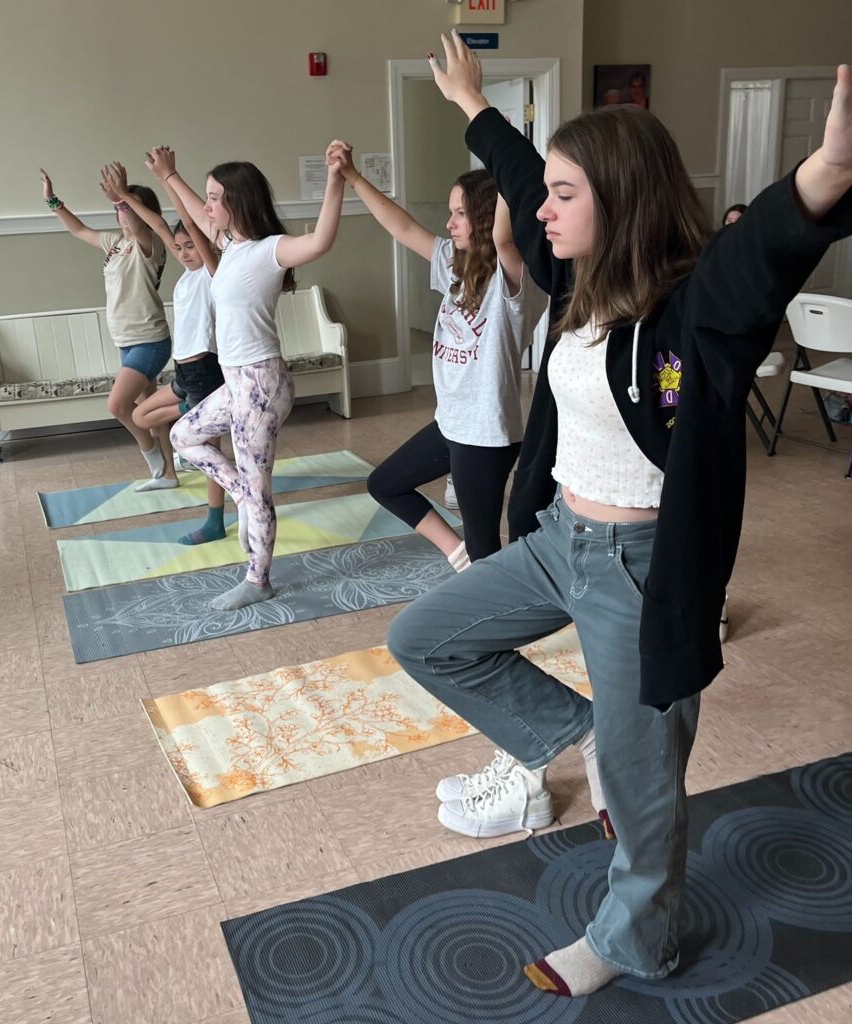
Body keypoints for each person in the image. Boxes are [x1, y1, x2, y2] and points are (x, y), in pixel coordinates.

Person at [388, 33, 852, 999]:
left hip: (643, 571)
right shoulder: (575, 282)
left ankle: (638, 938)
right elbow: (518, 178)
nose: (540, 211)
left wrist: (823, 176)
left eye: (565, 195)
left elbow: (754, 261)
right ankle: (587, 735)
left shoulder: (691, 317)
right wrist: (472, 103)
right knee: (427, 637)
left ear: (621, 197)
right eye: (546, 193)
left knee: (646, 800)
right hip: (562, 542)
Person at [329, 143, 545, 569]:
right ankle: (456, 553)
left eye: (460, 213)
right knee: (386, 484)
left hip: (485, 435)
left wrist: (502, 157)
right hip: (452, 423)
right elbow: (404, 229)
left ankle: (497, 627)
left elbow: (503, 237)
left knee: (487, 547)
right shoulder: (452, 261)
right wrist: (352, 177)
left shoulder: (513, 277)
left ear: (484, 215)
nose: (449, 223)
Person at [156, 144, 346, 610]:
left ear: (237, 203)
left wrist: (336, 181)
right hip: (239, 383)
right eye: (206, 196)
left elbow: (319, 241)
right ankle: (241, 496)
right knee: (183, 435)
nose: (206, 206)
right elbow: (194, 215)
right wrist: (169, 176)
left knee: (259, 486)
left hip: (260, 384)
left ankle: (258, 579)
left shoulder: (267, 252)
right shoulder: (230, 247)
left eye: (214, 197)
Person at [100, 159, 229, 544]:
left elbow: (183, 224)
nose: (185, 251)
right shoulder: (188, 278)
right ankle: (196, 410)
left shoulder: (211, 273)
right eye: (180, 248)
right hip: (184, 374)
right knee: (140, 415)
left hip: (207, 370)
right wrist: (123, 199)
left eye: (192, 245)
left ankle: (215, 520)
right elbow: (161, 227)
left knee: (210, 454)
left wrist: (146, 187)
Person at [39, 167, 174, 486]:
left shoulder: (150, 245)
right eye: (117, 208)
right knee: (149, 409)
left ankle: (151, 453)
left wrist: (123, 195)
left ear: (144, 213)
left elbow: (145, 227)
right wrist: (52, 201)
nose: (121, 213)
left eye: (127, 208)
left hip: (150, 341)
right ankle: (169, 472)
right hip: (126, 342)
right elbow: (79, 230)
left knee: (118, 405)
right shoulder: (114, 243)